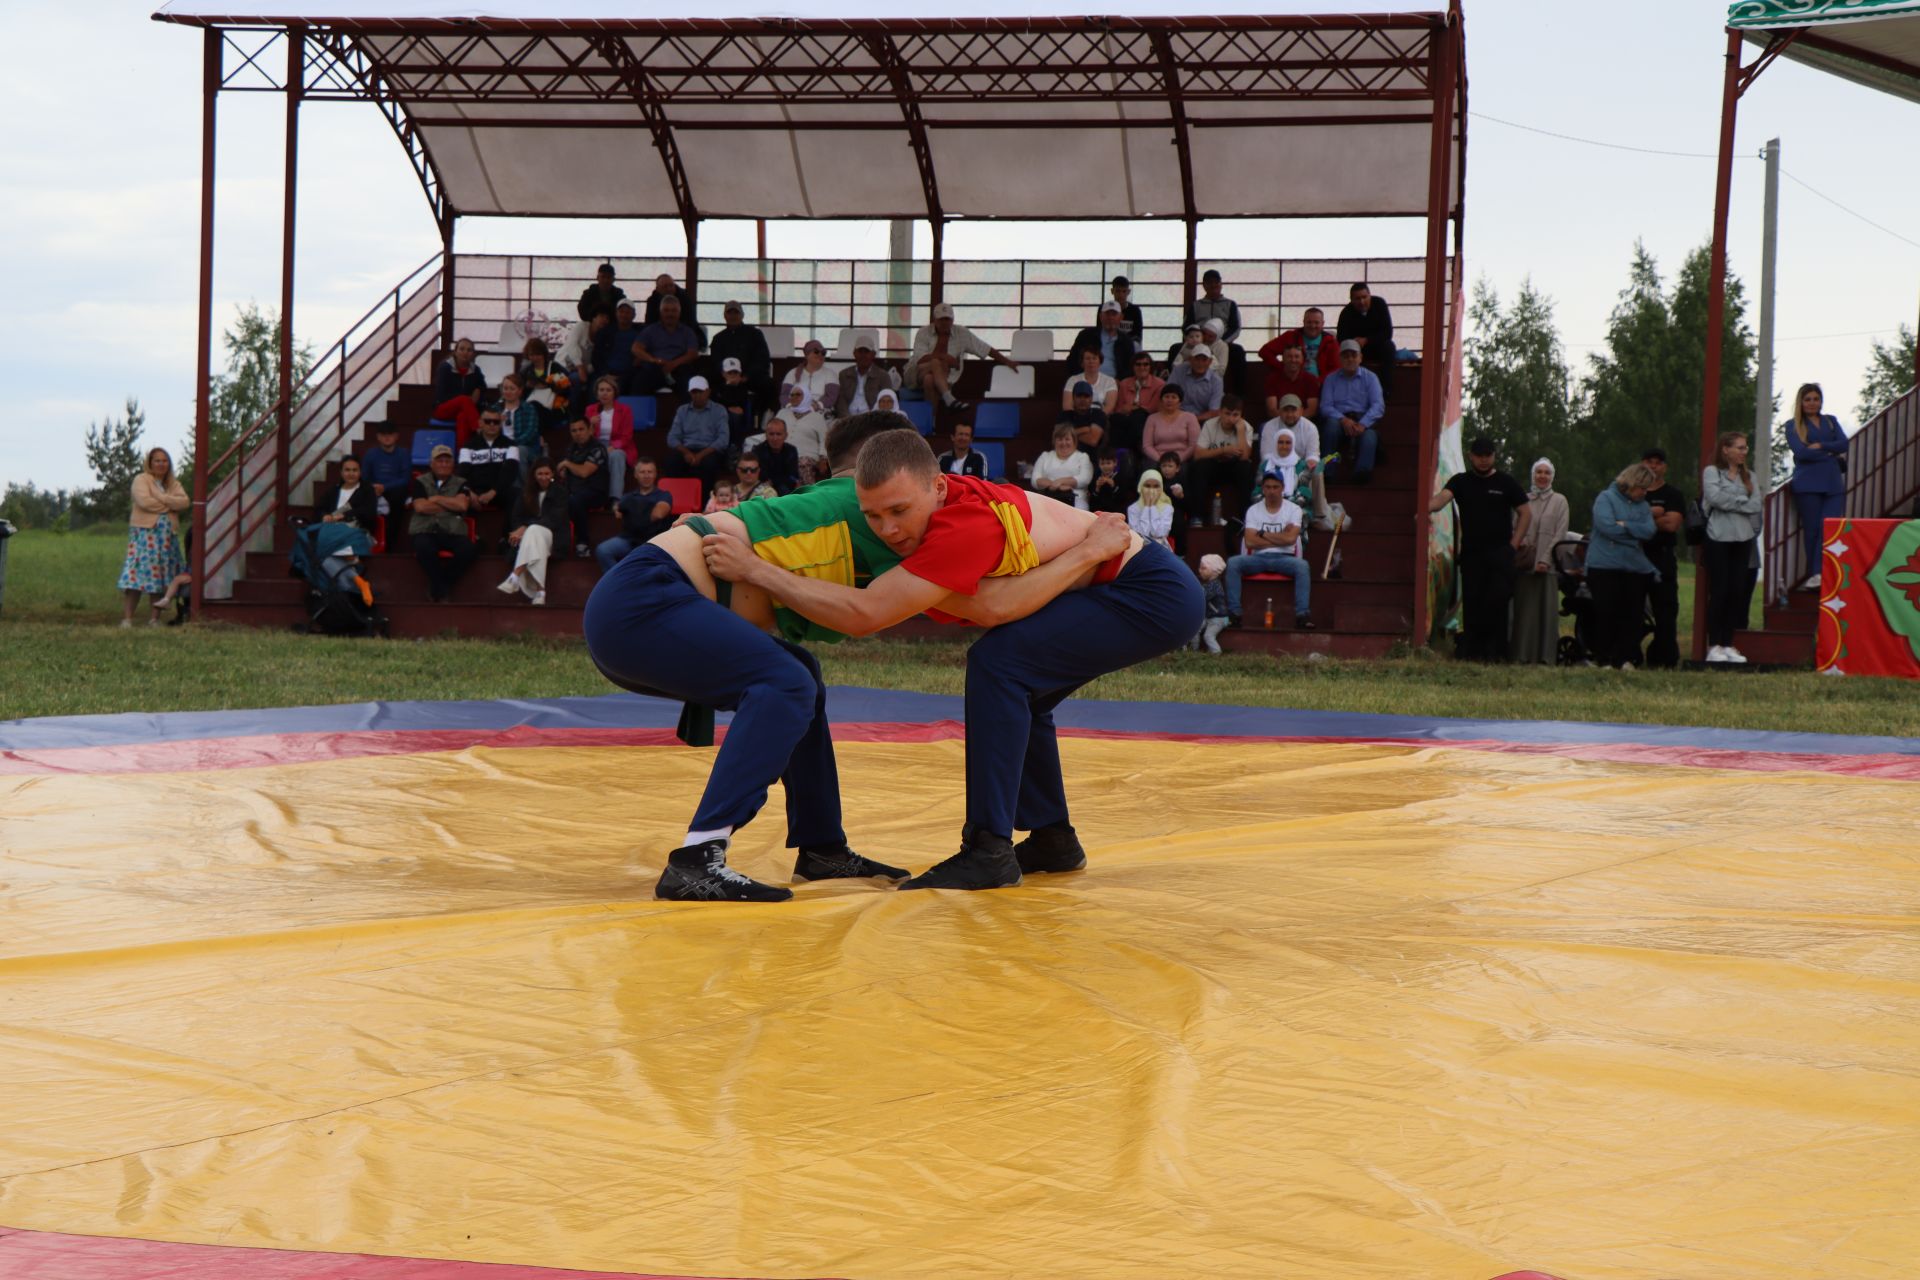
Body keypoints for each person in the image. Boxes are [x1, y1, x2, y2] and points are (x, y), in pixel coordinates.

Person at [582, 412, 1092, 901]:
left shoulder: (848, 504)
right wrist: (1084, 552)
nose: (892, 520)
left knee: (799, 673)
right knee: (786, 681)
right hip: (645, 603)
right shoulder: (876, 511)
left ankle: (822, 846)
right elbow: (981, 600)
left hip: (639, 603)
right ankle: (698, 857)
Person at [699, 427, 1196, 891]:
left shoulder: (962, 526)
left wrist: (753, 569)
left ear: (937, 489)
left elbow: (985, 607)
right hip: (1136, 582)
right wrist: (710, 525)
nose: (888, 530)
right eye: (873, 516)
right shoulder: (929, 511)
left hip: (1150, 591)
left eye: (898, 511)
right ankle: (1051, 838)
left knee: (1001, 665)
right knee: (1019, 678)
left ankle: (988, 848)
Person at [1431, 437, 1530, 661]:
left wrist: (1513, 545)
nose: (1484, 460)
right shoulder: (1460, 481)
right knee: (1473, 603)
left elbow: (1526, 512)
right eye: (1479, 456)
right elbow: (1439, 501)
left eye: (1488, 455)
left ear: (1494, 456)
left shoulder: (1506, 482)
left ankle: (1497, 653)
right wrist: (1421, 510)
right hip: (1472, 556)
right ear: (1471, 456)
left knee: (1497, 600)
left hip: (1501, 555)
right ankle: (1472, 653)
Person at [1585, 462, 1660, 671]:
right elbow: (1606, 527)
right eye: (1641, 488)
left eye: (1647, 489)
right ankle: (1604, 658)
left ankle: (1625, 658)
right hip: (1603, 565)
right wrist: (1632, 534)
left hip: (1634, 568)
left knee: (1632, 614)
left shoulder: (1644, 506)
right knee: (1606, 612)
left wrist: (1625, 525)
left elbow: (1649, 531)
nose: (1644, 493)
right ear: (1630, 484)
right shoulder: (1605, 498)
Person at [1702, 431, 1762, 664]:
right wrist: (1741, 501)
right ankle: (1714, 644)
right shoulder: (1712, 473)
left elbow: (1756, 504)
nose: (1743, 452)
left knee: (1736, 591)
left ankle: (1728, 643)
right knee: (1720, 591)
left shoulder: (1750, 477)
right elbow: (1715, 499)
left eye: (1745, 448)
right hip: (1718, 537)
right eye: (1739, 447)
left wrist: (1734, 501)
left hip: (1743, 537)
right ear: (1725, 449)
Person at [1226, 473, 1312, 629]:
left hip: (1285, 558)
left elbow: (1291, 539)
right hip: (1258, 558)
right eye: (1268, 487)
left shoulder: (1294, 509)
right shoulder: (1253, 510)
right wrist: (1281, 537)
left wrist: (1263, 534)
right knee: (1233, 563)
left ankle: (1302, 616)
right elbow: (1250, 541)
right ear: (1262, 489)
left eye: (1275, 487)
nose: (1272, 491)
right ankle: (1234, 615)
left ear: (1283, 489)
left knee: (1302, 566)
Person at [1785, 382, 1849, 589]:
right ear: (1801, 402)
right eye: (1808, 399)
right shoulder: (1792, 425)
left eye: (1816, 399)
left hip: (1832, 484)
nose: (1812, 403)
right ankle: (1815, 573)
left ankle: (1826, 573)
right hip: (1808, 484)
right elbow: (1801, 452)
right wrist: (1830, 454)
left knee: (1829, 527)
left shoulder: (1830, 421)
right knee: (1812, 530)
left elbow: (1844, 444)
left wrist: (1821, 446)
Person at [118, 446, 190, 627]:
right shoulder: (141, 480)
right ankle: (127, 619)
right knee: (137, 577)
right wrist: (169, 505)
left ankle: (154, 619)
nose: (161, 464)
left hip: (167, 538)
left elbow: (184, 502)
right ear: (150, 462)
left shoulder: (173, 483)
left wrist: (160, 497)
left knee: (159, 577)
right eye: (157, 460)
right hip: (145, 535)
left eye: (164, 460)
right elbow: (144, 502)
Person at [906, 301, 1019, 413]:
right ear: (934, 320)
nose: (945, 323)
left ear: (953, 320)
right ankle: (949, 398)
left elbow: (984, 348)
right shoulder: (923, 332)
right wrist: (944, 356)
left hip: (943, 376)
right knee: (935, 362)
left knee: (929, 380)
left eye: (948, 319)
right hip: (917, 373)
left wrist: (1007, 361)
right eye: (941, 319)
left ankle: (931, 424)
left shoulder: (961, 333)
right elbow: (919, 359)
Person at [1509, 458, 1570, 665]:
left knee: (1545, 612)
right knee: (1524, 612)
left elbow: (1560, 532)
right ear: (1533, 475)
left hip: (1547, 566)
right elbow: (1516, 528)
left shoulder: (1560, 501)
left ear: (1552, 476)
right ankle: (1521, 655)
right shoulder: (1523, 499)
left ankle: (1545, 657)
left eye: (1546, 473)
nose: (1542, 476)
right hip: (1525, 565)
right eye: (1539, 472)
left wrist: (1545, 559)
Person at [408, 444, 477, 603]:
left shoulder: (461, 482)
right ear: (431, 463)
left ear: (453, 464)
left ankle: (438, 586)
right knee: (423, 547)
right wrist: (449, 504)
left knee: (468, 548)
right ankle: (442, 588)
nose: (444, 464)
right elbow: (420, 507)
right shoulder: (420, 481)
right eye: (440, 461)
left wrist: (437, 499)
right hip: (425, 529)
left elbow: (462, 506)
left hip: (452, 530)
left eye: (447, 461)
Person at [1638, 446, 1686, 668]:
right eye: (1649, 461)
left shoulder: (1673, 494)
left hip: (1662, 557)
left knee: (1665, 610)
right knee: (1632, 608)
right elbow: (1622, 522)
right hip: (1634, 556)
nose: (1653, 466)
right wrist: (1656, 517)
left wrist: (1640, 521)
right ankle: (1630, 655)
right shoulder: (1633, 492)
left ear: (1664, 467)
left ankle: (1665, 658)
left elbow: (1672, 524)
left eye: (1658, 462)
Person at [499, 459, 569, 606]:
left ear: (552, 474)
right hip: (532, 539)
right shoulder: (526, 492)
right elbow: (516, 517)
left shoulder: (560, 492)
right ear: (534, 475)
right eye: (540, 473)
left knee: (533, 530)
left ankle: (515, 576)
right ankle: (540, 592)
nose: (543, 477)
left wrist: (526, 527)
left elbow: (554, 519)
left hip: (553, 536)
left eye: (547, 473)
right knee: (535, 537)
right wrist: (522, 528)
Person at [1259, 395, 1332, 528]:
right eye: (1286, 410)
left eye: (1294, 410)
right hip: (1277, 465)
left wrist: (1302, 466)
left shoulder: (1310, 428)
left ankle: (1319, 515)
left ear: (1301, 411)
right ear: (1280, 411)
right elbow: (1266, 456)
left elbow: (1313, 455)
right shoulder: (1270, 426)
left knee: (1318, 469)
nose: (1290, 414)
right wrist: (1285, 466)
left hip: (1301, 467)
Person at [1319, 339, 1385, 482]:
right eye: (1345, 355)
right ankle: (1327, 472)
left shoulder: (1371, 378)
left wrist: (1363, 424)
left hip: (1363, 419)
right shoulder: (1331, 379)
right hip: (1339, 420)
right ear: (1339, 359)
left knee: (1370, 436)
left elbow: (1378, 406)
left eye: (1353, 355)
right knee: (1330, 427)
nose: (1350, 359)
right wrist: (1343, 420)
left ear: (1360, 358)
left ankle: (1362, 473)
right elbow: (1325, 406)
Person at [595, 457, 674, 571]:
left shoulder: (664, 495)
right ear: (636, 475)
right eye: (642, 472)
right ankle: (618, 580)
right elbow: (617, 511)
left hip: (652, 541)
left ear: (655, 474)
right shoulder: (629, 496)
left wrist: (632, 508)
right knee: (603, 550)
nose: (646, 475)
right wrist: (645, 508)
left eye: (650, 472)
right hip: (628, 539)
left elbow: (659, 514)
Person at [1186, 393, 1254, 525]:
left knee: (1245, 468)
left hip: (1234, 467)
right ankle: (1197, 517)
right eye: (1227, 414)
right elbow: (1198, 455)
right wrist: (1224, 450)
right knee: (1198, 467)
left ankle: (1245, 518)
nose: (1231, 418)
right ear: (1220, 412)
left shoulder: (1246, 427)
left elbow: (1245, 456)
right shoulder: (1210, 425)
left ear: (1241, 415)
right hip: (1215, 466)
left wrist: (1240, 431)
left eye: (1235, 415)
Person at [663, 375, 730, 501]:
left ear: (708, 392)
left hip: (709, 450)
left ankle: (705, 503)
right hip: (687, 449)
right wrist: (686, 452)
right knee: (671, 462)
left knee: (709, 464)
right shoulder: (682, 411)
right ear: (690, 393)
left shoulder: (719, 410)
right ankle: (676, 501)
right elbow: (672, 437)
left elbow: (723, 440)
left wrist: (701, 455)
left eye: (700, 391)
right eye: (694, 392)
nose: (697, 395)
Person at [556, 417, 611, 558]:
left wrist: (567, 464)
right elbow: (562, 471)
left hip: (596, 492)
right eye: (574, 430)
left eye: (581, 429)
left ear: (590, 430)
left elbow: (584, 471)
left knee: (575, 501)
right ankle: (558, 545)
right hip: (574, 491)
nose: (578, 433)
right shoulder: (571, 448)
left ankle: (583, 543)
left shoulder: (598, 447)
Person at [627, 295, 704, 394]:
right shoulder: (651, 330)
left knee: (691, 385)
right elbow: (635, 348)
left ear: (679, 313)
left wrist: (673, 364)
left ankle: (688, 410)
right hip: (655, 368)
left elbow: (693, 353)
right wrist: (653, 359)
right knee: (638, 383)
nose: (670, 314)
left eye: (673, 310)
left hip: (680, 368)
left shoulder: (687, 332)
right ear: (660, 312)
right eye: (666, 310)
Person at [709, 300, 775, 416]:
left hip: (749, 378)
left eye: (736, 313)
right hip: (725, 378)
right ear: (725, 316)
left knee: (769, 385)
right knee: (707, 384)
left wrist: (744, 377)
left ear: (742, 315)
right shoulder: (718, 338)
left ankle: (760, 419)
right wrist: (725, 375)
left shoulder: (755, 334)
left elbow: (763, 359)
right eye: (730, 313)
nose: (733, 316)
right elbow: (715, 361)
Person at [575, 376, 636, 499]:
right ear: (597, 393)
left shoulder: (624, 410)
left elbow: (627, 436)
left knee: (616, 455)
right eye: (601, 390)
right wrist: (590, 425)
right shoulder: (590, 410)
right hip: (595, 445)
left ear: (614, 393)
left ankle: (615, 498)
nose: (604, 393)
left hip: (618, 446)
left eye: (608, 390)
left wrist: (612, 447)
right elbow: (584, 438)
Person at [457, 402, 520, 515]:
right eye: (487, 421)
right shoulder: (468, 446)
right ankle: (467, 533)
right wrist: (469, 492)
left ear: (501, 424)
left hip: (499, 491)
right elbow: (462, 473)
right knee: (461, 497)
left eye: (496, 422)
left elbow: (510, 473)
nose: (492, 425)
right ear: (480, 423)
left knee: (515, 494)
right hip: (475, 492)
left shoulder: (511, 445)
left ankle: (511, 532)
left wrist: (492, 492)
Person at [1336, 282, 1395, 396]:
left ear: (1370, 295)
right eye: (1357, 299)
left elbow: (1387, 332)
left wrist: (1367, 340)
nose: (1362, 302)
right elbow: (1341, 338)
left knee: (1389, 347)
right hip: (1357, 350)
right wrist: (1354, 343)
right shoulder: (1346, 313)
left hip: (1377, 346)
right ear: (1352, 300)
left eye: (1364, 297)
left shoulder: (1379, 304)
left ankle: (1385, 390)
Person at [432, 337, 488, 445]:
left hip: (465, 410)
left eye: (469, 350)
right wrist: (464, 400)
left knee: (463, 417)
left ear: (473, 354)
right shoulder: (445, 368)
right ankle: (481, 432)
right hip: (443, 408)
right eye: (462, 349)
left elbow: (483, 386)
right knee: (464, 399)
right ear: (455, 351)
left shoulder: (475, 369)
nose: (465, 353)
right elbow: (441, 395)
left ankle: (462, 454)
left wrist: (478, 389)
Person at [1111, 352, 1164, 459]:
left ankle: (1129, 451)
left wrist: (1133, 408)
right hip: (1126, 418)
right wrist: (1127, 409)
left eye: (1145, 364)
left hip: (1146, 418)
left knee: (1138, 416)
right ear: (1133, 367)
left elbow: (1153, 408)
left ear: (1150, 367)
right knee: (1114, 419)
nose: (1142, 367)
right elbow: (1119, 407)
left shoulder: (1159, 384)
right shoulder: (1125, 383)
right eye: (1138, 364)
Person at [834, 333, 900, 418]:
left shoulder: (883, 376)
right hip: (847, 419)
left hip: (872, 419)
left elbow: (887, 402)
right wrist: (847, 420)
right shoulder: (844, 374)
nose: (863, 355)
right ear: (854, 353)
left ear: (873, 354)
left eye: (866, 352)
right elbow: (840, 402)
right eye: (860, 351)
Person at [1067, 301, 1137, 381]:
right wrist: (1083, 378)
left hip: (1115, 384)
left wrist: (1120, 381)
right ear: (1101, 317)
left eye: (1114, 314)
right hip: (1086, 381)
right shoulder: (1086, 336)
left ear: (1121, 317)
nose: (1110, 317)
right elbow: (1072, 362)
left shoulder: (1126, 341)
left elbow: (1131, 368)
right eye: (1107, 314)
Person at [1265, 307, 1341, 378]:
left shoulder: (1331, 342)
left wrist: (1320, 382)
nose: (1312, 326)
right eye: (1309, 322)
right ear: (1303, 322)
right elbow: (1265, 351)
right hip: (1294, 383)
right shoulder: (1290, 336)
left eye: (1316, 322)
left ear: (1322, 323)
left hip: (1321, 385)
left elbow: (1336, 368)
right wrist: (1281, 367)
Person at [1031, 423, 1094, 509]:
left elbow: (1084, 479)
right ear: (1054, 441)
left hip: (1076, 500)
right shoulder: (1045, 456)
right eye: (1060, 439)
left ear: (1074, 441)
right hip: (1048, 498)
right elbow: (1035, 480)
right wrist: (1058, 487)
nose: (1063, 443)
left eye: (1067, 439)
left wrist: (1061, 481)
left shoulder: (1083, 457)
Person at [499, 373, 546, 488]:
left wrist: (510, 445)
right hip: (501, 447)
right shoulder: (495, 409)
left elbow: (530, 434)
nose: (508, 392)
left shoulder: (529, 408)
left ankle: (526, 489)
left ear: (520, 391)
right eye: (505, 388)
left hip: (526, 448)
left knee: (517, 451)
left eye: (512, 389)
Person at [1260, 341, 1323, 421]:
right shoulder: (1272, 379)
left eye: (1297, 357)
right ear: (1283, 358)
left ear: (1303, 359)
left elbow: (1311, 410)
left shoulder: (1311, 380)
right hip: (1278, 421)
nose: (1293, 360)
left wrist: (1294, 421)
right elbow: (1272, 410)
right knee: (1262, 428)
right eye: (1289, 356)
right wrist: (1288, 421)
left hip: (1303, 422)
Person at [359, 420, 411, 517]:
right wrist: (374, 487)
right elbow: (364, 477)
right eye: (383, 434)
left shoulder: (403, 454)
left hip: (394, 491)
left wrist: (385, 487)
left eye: (390, 434)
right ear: (378, 437)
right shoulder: (371, 454)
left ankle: (391, 531)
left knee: (398, 496)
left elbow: (405, 479)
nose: (387, 437)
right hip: (374, 490)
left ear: (396, 436)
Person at [778, 386, 832, 475]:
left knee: (802, 464)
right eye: (792, 395)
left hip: (806, 456)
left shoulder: (817, 417)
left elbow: (825, 440)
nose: (794, 397)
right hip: (782, 453)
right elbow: (771, 431)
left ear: (806, 397)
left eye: (798, 394)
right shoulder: (782, 413)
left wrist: (823, 459)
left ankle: (805, 489)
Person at [315, 455, 378, 531]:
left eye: (355, 470)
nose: (351, 474)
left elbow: (369, 512)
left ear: (360, 472)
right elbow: (319, 510)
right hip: (332, 531)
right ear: (341, 472)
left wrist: (344, 515)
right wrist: (325, 516)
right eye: (347, 470)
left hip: (357, 532)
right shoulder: (333, 491)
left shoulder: (367, 490)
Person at [1141, 385, 1200, 464]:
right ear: (1161, 400)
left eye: (1174, 397)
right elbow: (1147, 446)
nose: (1169, 400)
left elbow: (1193, 445)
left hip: (1182, 460)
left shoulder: (1190, 417)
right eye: (1166, 397)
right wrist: (1161, 460)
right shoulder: (1152, 418)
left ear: (1180, 401)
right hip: (1157, 459)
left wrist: (1177, 460)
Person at [517, 337, 572, 421]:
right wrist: (528, 387)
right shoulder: (525, 371)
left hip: (553, 407)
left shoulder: (555, 367)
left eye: (538, 354)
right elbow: (520, 392)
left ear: (543, 354)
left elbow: (567, 386)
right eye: (532, 355)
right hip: (530, 407)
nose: (535, 358)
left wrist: (549, 386)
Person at [1166, 344, 1223, 425]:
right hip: (1176, 417)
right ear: (1190, 359)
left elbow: (1214, 412)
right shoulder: (1178, 371)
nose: (1200, 363)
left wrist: (1191, 420)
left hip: (1203, 421)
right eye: (1197, 359)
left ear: (1210, 362)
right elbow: (1167, 396)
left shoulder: (1217, 381)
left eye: (1204, 360)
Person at [781, 339, 838, 413]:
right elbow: (784, 395)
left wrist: (815, 407)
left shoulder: (830, 374)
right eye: (816, 352)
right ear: (807, 355)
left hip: (820, 411)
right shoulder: (792, 373)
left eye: (823, 353)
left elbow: (831, 397)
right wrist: (791, 407)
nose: (820, 355)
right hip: (794, 410)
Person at [713, 357, 758, 450]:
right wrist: (728, 387)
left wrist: (733, 388)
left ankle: (734, 446)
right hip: (721, 415)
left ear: (740, 373)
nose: (733, 375)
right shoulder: (719, 388)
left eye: (735, 372)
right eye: (730, 373)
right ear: (723, 374)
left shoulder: (743, 388)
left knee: (735, 416)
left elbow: (741, 403)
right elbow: (717, 403)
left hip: (739, 417)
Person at [597, 299, 644, 387]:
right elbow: (597, 356)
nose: (624, 315)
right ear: (616, 313)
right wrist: (605, 374)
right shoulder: (605, 332)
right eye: (621, 311)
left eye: (627, 312)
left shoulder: (641, 332)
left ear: (634, 315)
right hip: (607, 373)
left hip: (630, 374)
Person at [1191, 554, 1230, 653]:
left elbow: (1202, 597)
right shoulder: (1208, 584)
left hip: (1218, 618)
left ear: (1213, 570)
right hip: (1209, 616)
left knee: (1208, 636)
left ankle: (1216, 654)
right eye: (1200, 568)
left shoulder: (1215, 585)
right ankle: (1193, 651)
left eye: (1203, 568)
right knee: (1194, 629)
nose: (1200, 570)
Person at [1127, 468, 1175, 549]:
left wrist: (1152, 507)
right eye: (1147, 486)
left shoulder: (1167, 508)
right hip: (1138, 548)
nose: (1151, 490)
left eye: (1156, 486)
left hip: (1161, 549)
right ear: (1141, 487)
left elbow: (1159, 533)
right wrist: (1146, 507)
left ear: (1161, 488)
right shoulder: (1133, 508)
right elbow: (1141, 534)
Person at [1058, 380, 1110, 454]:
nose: (1082, 400)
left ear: (1091, 398)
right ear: (1073, 398)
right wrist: (1086, 429)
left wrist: (1069, 434)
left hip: (1093, 459)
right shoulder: (1064, 415)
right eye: (1079, 396)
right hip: (1067, 457)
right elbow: (1058, 437)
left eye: (1086, 396)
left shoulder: (1098, 414)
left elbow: (1093, 440)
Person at [752, 418, 802, 495]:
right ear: (766, 435)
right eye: (771, 434)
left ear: (786, 435)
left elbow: (793, 476)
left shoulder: (791, 450)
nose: (775, 438)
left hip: (786, 488)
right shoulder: (758, 451)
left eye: (778, 434)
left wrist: (774, 480)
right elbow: (761, 476)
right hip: (765, 489)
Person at [1105, 275, 1146, 343]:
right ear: (1112, 291)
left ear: (1128, 292)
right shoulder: (1105, 309)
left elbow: (1138, 336)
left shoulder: (1135, 311)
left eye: (1124, 291)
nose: (1121, 295)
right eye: (1118, 291)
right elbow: (1100, 334)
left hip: (1129, 348)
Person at [1088, 447, 1129, 515]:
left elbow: (1122, 498)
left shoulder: (1120, 477)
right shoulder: (1096, 477)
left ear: (1115, 463)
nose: (1105, 466)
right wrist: (1097, 488)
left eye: (1108, 463)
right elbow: (1092, 500)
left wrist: (1113, 486)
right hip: (1099, 512)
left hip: (1115, 511)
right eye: (1102, 463)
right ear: (1099, 464)